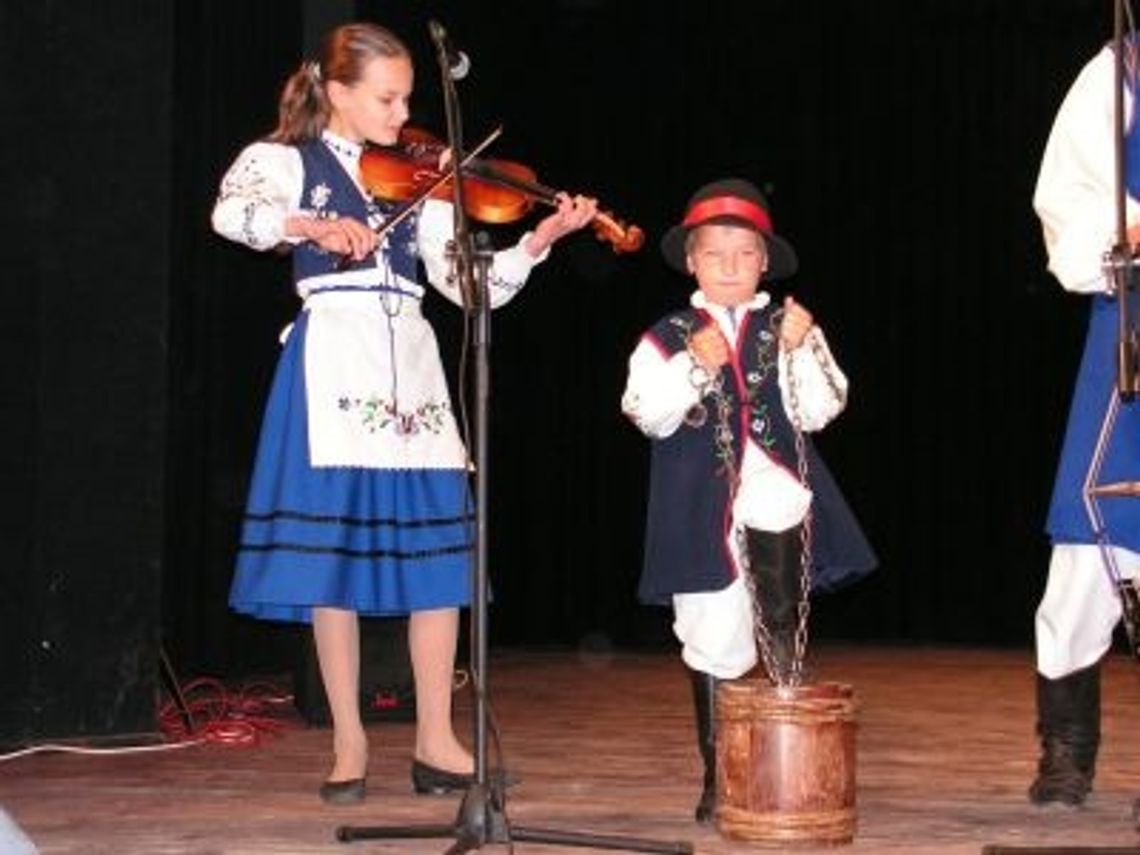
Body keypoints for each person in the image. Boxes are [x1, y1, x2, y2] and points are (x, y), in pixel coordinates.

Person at [211, 22, 597, 804]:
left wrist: (536, 242)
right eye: (386, 98)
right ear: (338, 91)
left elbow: (468, 285)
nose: (402, 114)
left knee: (440, 566)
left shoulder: (420, 179)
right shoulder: (285, 162)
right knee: (332, 565)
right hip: (334, 365)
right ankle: (348, 740)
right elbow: (233, 213)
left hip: (414, 373)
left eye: (409, 97)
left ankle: (436, 739)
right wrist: (308, 224)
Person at [621, 178, 875, 823]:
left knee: (779, 512)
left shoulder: (789, 325)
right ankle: (721, 773)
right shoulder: (667, 334)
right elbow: (646, 413)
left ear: (764, 260)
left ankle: (791, 739)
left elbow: (820, 411)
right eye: (715, 253)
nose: (730, 266)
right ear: (692, 261)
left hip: (772, 492)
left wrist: (800, 351)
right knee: (713, 636)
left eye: (744, 253)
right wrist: (694, 366)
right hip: (695, 505)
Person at [1030, 38, 1140, 808]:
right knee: (1087, 548)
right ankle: (1067, 753)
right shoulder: (1125, 67)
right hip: (1135, 322)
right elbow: (1071, 187)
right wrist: (1128, 225)